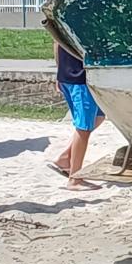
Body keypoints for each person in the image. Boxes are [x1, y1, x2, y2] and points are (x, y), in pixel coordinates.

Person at [47, 43, 105, 191]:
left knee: (99, 116)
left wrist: (59, 71)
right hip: (80, 77)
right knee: (84, 127)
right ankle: (75, 179)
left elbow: (56, 42)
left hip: (68, 74)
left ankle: (65, 158)